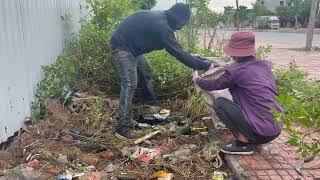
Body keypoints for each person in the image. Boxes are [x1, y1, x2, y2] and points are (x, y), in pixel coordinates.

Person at [109, 3, 212, 140]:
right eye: (182, 24)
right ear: (177, 18)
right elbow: (178, 53)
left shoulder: (162, 18)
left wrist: (196, 59)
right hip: (122, 47)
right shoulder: (162, 27)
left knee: (145, 72)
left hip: (133, 49)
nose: (181, 28)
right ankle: (122, 128)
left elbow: (179, 49)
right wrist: (202, 65)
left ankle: (147, 107)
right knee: (129, 84)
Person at [194, 31, 283, 155]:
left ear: (234, 53)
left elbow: (213, 85)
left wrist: (198, 80)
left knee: (220, 103)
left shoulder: (235, 71)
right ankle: (253, 134)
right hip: (275, 130)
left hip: (260, 134)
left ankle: (243, 144)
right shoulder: (264, 66)